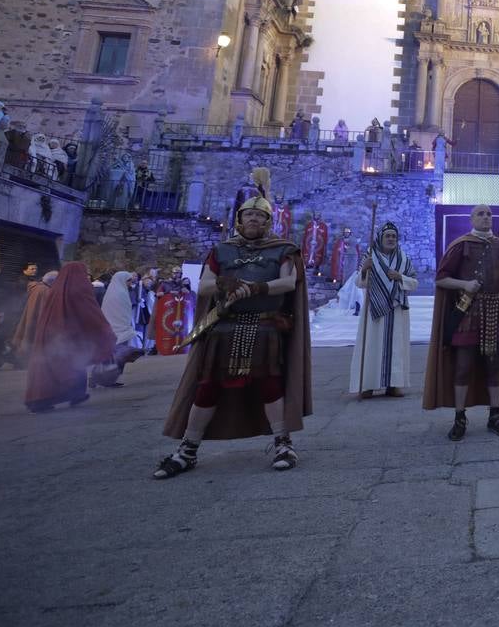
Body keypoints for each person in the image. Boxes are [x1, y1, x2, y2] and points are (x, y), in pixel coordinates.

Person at [153, 168, 312, 478]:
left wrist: (257, 288)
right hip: (225, 328)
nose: (253, 220)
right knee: (208, 388)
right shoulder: (221, 251)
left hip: (265, 326)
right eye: (248, 215)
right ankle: (188, 448)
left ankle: (283, 443)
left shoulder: (283, 250)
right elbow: (205, 286)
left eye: (259, 216)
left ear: (268, 222)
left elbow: (289, 283)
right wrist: (228, 283)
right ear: (240, 219)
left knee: (270, 385)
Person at [423, 203, 499, 439]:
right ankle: (460, 417)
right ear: (472, 219)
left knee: (495, 366)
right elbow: (441, 279)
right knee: (462, 366)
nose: (486, 217)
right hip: (467, 313)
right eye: (481, 214)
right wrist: (465, 285)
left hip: (496, 315)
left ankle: (495, 416)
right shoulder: (461, 245)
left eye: (489, 214)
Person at [22, 262, 114, 412]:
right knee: (72, 364)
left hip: (50, 335)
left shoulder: (55, 289)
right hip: (67, 336)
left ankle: (44, 399)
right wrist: (104, 330)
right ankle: (70, 395)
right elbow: (90, 313)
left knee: (48, 366)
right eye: (84, 273)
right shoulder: (79, 290)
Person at [349, 222, 417, 398]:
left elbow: (414, 282)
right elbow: (359, 283)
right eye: (388, 236)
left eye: (394, 236)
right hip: (375, 308)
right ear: (380, 238)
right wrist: (364, 269)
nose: (391, 239)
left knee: (395, 346)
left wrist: (399, 277)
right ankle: (368, 385)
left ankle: (393, 385)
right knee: (371, 344)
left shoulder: (403, 259)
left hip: (396, 310)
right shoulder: (370, 256)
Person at [92, 271, 143, 388]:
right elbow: (121, 312)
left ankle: (96, 377)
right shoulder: (120, 293)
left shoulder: (112, 292)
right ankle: (108, 379)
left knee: (108, 355)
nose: (131, 283)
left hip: (113, 327)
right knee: (117, 355)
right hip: (118, 329)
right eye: (129, 281)